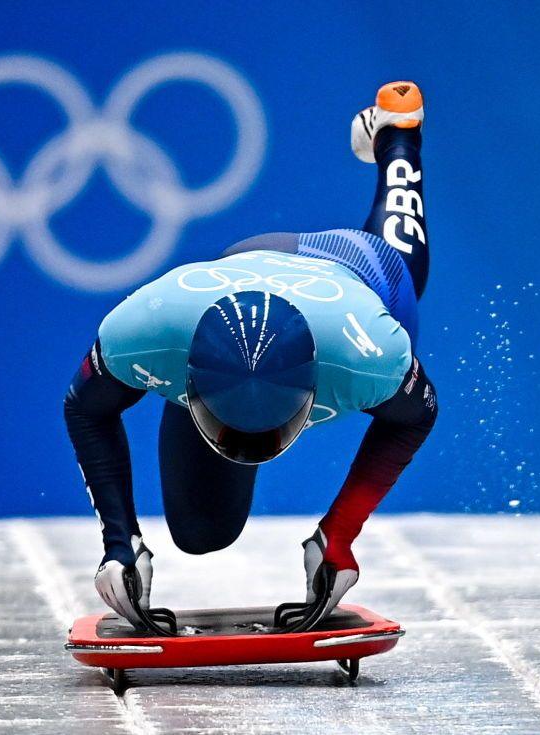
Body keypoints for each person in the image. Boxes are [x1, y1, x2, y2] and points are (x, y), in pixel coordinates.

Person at [64, 81, 437, 629]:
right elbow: (84, 408)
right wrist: (120, 544)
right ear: (185, 374)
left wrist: (341, 534)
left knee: (403, 268)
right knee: (201, 532)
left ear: (316, 384)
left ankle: (400, 140)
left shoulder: (371, 351)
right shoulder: (147, 327)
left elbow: (418, 414)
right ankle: (400, 138)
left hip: (352, 268)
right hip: (242, 266)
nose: (252, 449)